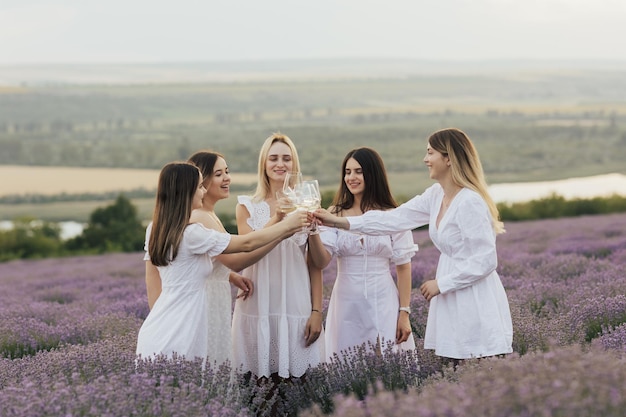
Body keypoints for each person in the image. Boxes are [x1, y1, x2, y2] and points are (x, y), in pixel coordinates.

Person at [314, 128, 513, 361]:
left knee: (479, 359)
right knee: (455, 362)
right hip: (449, 292)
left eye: (430, 153)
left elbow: (486, 260)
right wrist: (338, 221)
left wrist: (443, 284)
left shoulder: (470, 202)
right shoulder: (436, 194)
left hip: (472, 293)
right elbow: (394, 219)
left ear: (448, 158)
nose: (425, 159)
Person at [136, 161, 309, 366]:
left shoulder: (156, 229)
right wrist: (287, 226)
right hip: (183, 329)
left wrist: (230, 276)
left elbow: (182, 267)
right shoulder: (192, 234)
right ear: (186, 191)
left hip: (158, 325)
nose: (203, 190)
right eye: (200, 186)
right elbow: (246, 243)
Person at [308, 147, 417, 361]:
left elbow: (404, 266)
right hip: (346, 301)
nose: (351, 177)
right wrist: (313, 231)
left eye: (358, 171)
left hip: (384, 299)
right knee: (345, 364)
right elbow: (321, 262)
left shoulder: (393, 215)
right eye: (347, 172)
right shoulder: (334, 214)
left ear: (372, 174)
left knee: (388, 363)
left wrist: (404, 312)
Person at [231, 133, 325, 381]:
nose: (280, 164)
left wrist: (317, 311)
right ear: (264, 163)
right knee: (260, 386)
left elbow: (318, 264)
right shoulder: (246, 206)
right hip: (258, 303)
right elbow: (247, 250)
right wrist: (280, 219)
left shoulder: (305, 203)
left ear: (295, 164)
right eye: (273, 158)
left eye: (287, 158)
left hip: (296, 303)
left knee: (300, 384)